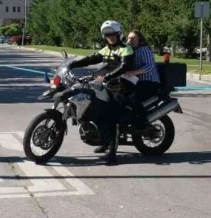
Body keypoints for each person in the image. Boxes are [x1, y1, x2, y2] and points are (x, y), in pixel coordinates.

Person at [66, 20, 137, 163]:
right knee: (96, 109)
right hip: (109, 85)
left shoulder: (126, 49)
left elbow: (124, 67)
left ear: (119, 34)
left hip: (123, 86)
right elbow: (92, 59)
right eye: (107, 35)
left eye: (112, 34)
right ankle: (104, 141)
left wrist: (107, 76)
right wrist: (72, 64)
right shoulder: (106, 49)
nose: (110, 37)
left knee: (111, 115)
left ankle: (112, 153)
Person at [126, 29, 161, 128]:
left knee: (133, 97)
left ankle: (143, 123)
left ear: (139, 39)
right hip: (139, 82)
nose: (130, 40)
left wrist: (133, 72)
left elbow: (149, 66)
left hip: (149, 82)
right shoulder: (133, 51)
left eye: (133, 38)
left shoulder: (143, 50)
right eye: (129, 38)